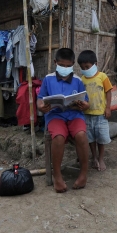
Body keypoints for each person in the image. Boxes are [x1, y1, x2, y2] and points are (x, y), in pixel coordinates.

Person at [37, 48, 90, 193]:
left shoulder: (78, 81)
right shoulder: (48, 79)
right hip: (55, 115)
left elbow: (86, 102)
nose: (65, 68)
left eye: (68, 66)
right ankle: (57, 176)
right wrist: (41, 106)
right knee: (59, 137)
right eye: (62, 65)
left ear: (73, 64)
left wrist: (84, 105)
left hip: (74, 115)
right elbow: (40, 99)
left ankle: (84, 173)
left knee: (81, 135)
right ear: (55, 63)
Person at [77, 50, 112, 171]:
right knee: (90, 138)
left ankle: (101, 158)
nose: (85, 69)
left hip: (101, 115)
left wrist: (108, 108)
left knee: (101, 138)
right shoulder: (81, 79)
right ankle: (94, 157)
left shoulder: (103, 76)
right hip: (86, 115)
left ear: (95, 63)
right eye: (82, 67)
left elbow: (108, 92)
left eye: (87, 66)